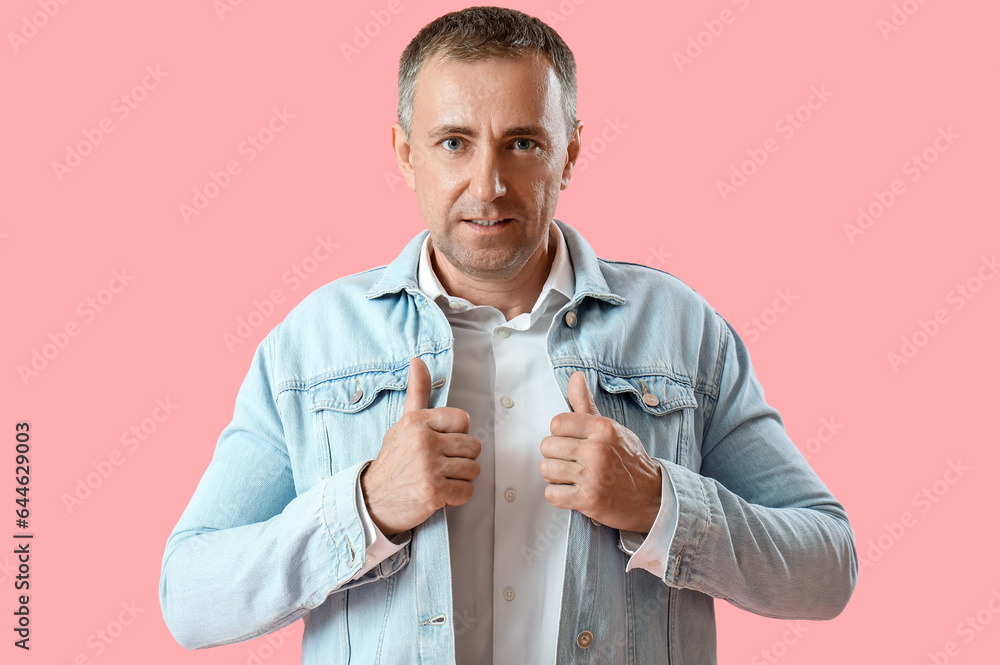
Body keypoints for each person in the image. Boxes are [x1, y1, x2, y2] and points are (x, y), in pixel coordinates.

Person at [159, 7, 857, 664]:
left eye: (522, 143)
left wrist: (657, 502)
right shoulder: (313, 344)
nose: (488, 184)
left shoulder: (680, 330)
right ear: (406, 153)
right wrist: (367, 506)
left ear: (571, 151)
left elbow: (827, 566)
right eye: (454, 142)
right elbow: (191, 596)